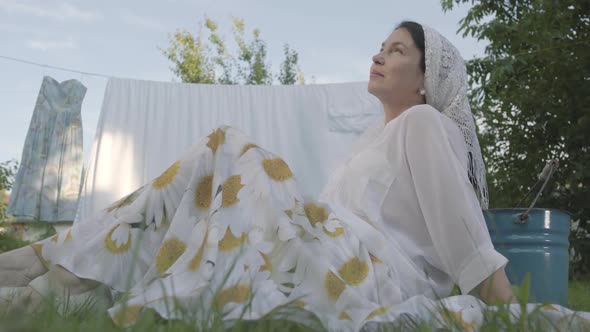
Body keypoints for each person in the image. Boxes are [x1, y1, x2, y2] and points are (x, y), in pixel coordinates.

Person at [1, 21, 519, 330]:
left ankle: (49, 268)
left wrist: (513, 311)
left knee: (228, 145)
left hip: (376, 273)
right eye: (381, 46)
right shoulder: (366, 143)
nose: (379, 55)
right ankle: (56, 278)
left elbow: (463, 230)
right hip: (328, 251)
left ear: (428, 81)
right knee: (202, 199)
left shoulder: (424, 124)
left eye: (398, 50)